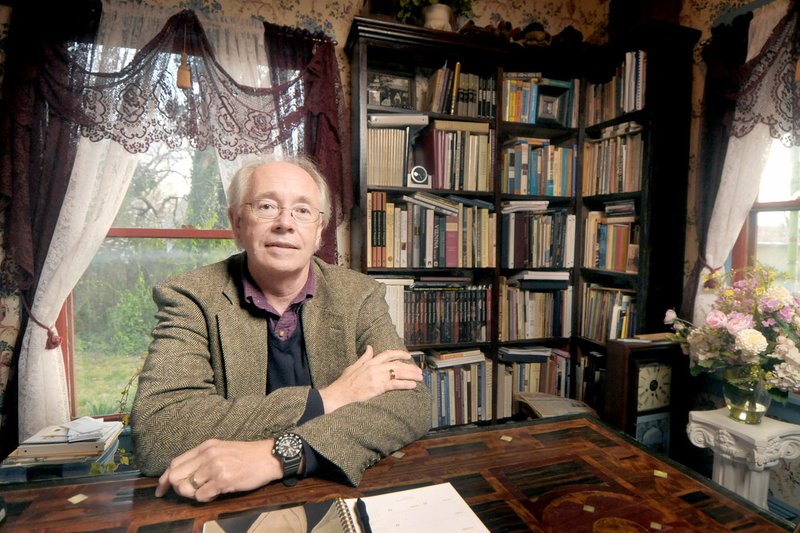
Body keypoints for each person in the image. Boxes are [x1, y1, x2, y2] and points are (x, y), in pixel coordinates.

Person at [130, 154, 431, 502]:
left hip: (335, 491)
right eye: (267, 206)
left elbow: (411, 402)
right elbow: (158, 433)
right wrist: (330, 398)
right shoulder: (190, 298)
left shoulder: (359, 294)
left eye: (303, 211)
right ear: (237, 222)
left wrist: (279, 455)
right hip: (227, 505)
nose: (285, 223)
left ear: (319, 231)